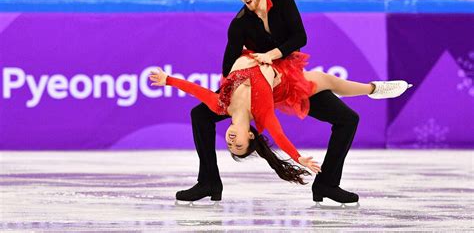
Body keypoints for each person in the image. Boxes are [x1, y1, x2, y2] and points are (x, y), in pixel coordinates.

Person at [167, 0, 407, 206]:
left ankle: (327, 183)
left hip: (286, 78)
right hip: (254, 82)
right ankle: (209, 181)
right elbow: (227, 66)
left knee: (347, 118)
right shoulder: (239, 23)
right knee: (200, 115)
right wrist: (243, 75)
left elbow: (300, 37)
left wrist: (270, 56)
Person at [150, 53, 411, 187]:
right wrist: (298, 158)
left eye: (230, 146)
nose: (231, 142)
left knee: (329, 84)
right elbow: (278, 135)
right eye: (238, 146)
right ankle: (374, 89)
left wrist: (167, 80)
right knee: (327, 80)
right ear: (250, 135)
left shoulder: (220, 106)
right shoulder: (261, 112)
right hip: (285, 85)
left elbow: (197, 90)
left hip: (259, 54)